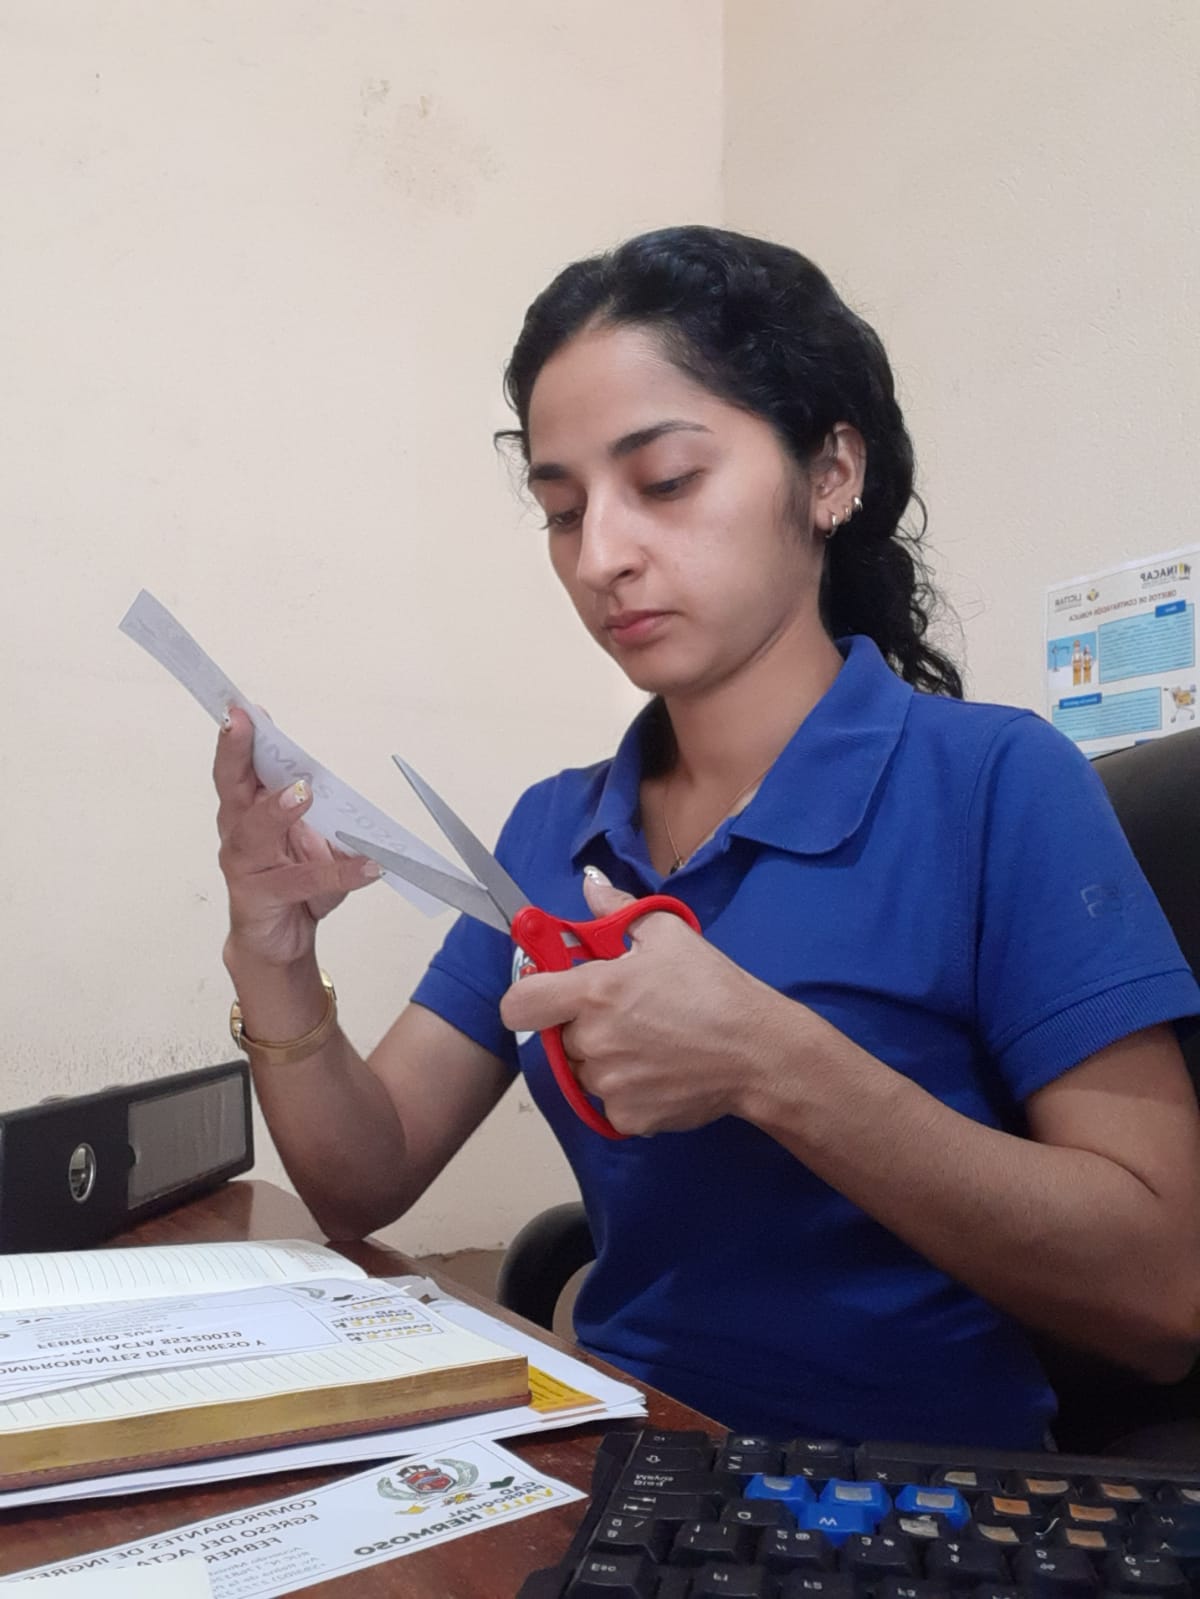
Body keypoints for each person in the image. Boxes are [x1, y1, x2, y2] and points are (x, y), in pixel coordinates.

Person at [213, 226, 1200, 1449]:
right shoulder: (551, 826)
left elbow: (1164, 1294)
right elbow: (364, 1179)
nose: (602, 557)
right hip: (630, 1455)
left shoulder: (997, 784)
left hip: (916, 1498)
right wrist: (273, 951)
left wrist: (766, 1062)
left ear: (830, 472)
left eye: (668, 481)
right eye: (563, 511)